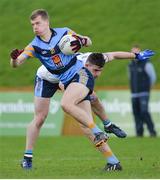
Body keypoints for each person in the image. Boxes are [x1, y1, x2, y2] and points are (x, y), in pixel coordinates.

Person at [10, 9, 155, 171]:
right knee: (40, 118)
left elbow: (89, 41)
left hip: (73, 77)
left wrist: (83, 40)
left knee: (85, 117)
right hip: (46, 78)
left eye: (37, 23)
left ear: (47, 22)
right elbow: (17, 63)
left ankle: (113, 160)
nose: (35, 27)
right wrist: (14, 59)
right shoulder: (34, 46)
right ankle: (27, 159)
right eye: (32, 25)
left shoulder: (65, 33)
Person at [128, 45, 157, 137]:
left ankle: (152, 132)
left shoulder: (146, 63)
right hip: (134, 94)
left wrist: (147, 88)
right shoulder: (130, 65)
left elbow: (153, 77)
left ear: (140, 53)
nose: (134, 54)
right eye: (132, 53)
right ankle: (139, 133)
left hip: (144, 92)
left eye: (136, 53)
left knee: (144, 112)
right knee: (136, 113)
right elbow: (130, 78)